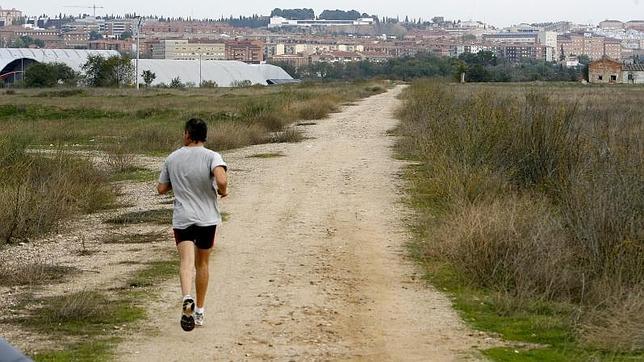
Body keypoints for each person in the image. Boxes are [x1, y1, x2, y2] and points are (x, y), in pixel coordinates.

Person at [157, 118, 228, 332]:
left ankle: (187, 297)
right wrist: (222, 191)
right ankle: (199, 312)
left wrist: (177, 182)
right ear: (204, 135)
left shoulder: (172, 158)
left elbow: (161, 188)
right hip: (207, 218)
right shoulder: (212, 156)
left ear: (188, 133)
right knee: (203, 264)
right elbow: (222, 180)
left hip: (183, 218)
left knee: (186, 262)